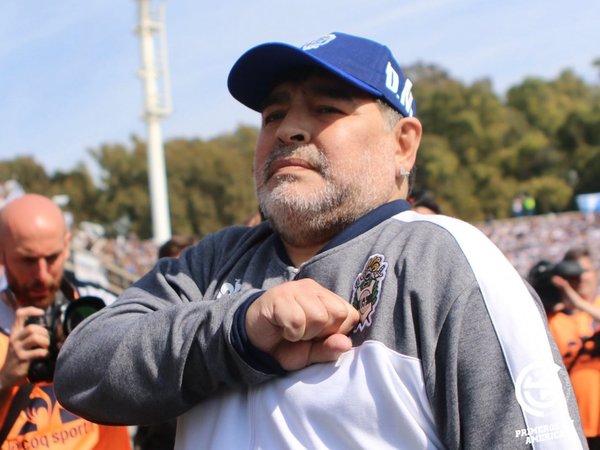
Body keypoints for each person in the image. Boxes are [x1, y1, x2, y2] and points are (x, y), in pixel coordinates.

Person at [54, 32, 586, 449]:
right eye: (273, 115)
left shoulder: (445, 260)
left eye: (327, 109)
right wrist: (239, 329)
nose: (288, 130)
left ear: (403, 145)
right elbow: (81, 372)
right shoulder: (211, 262)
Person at [0, 194, 132, 449]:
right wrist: (5, 380)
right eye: (27, 260)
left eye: (52, 258)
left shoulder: (102, 303)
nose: (41, 274)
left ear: (67, 246)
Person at [134, 235, 195, 450]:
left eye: (190, 268)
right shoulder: (144, 322)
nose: (182, 280)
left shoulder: (217, 324)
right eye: (174, 270)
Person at [550, 246, 600, 449]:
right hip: (576, 424)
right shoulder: (554, 319)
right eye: (574, 273)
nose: (581, 278)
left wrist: (580, 304)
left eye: (585, 271)